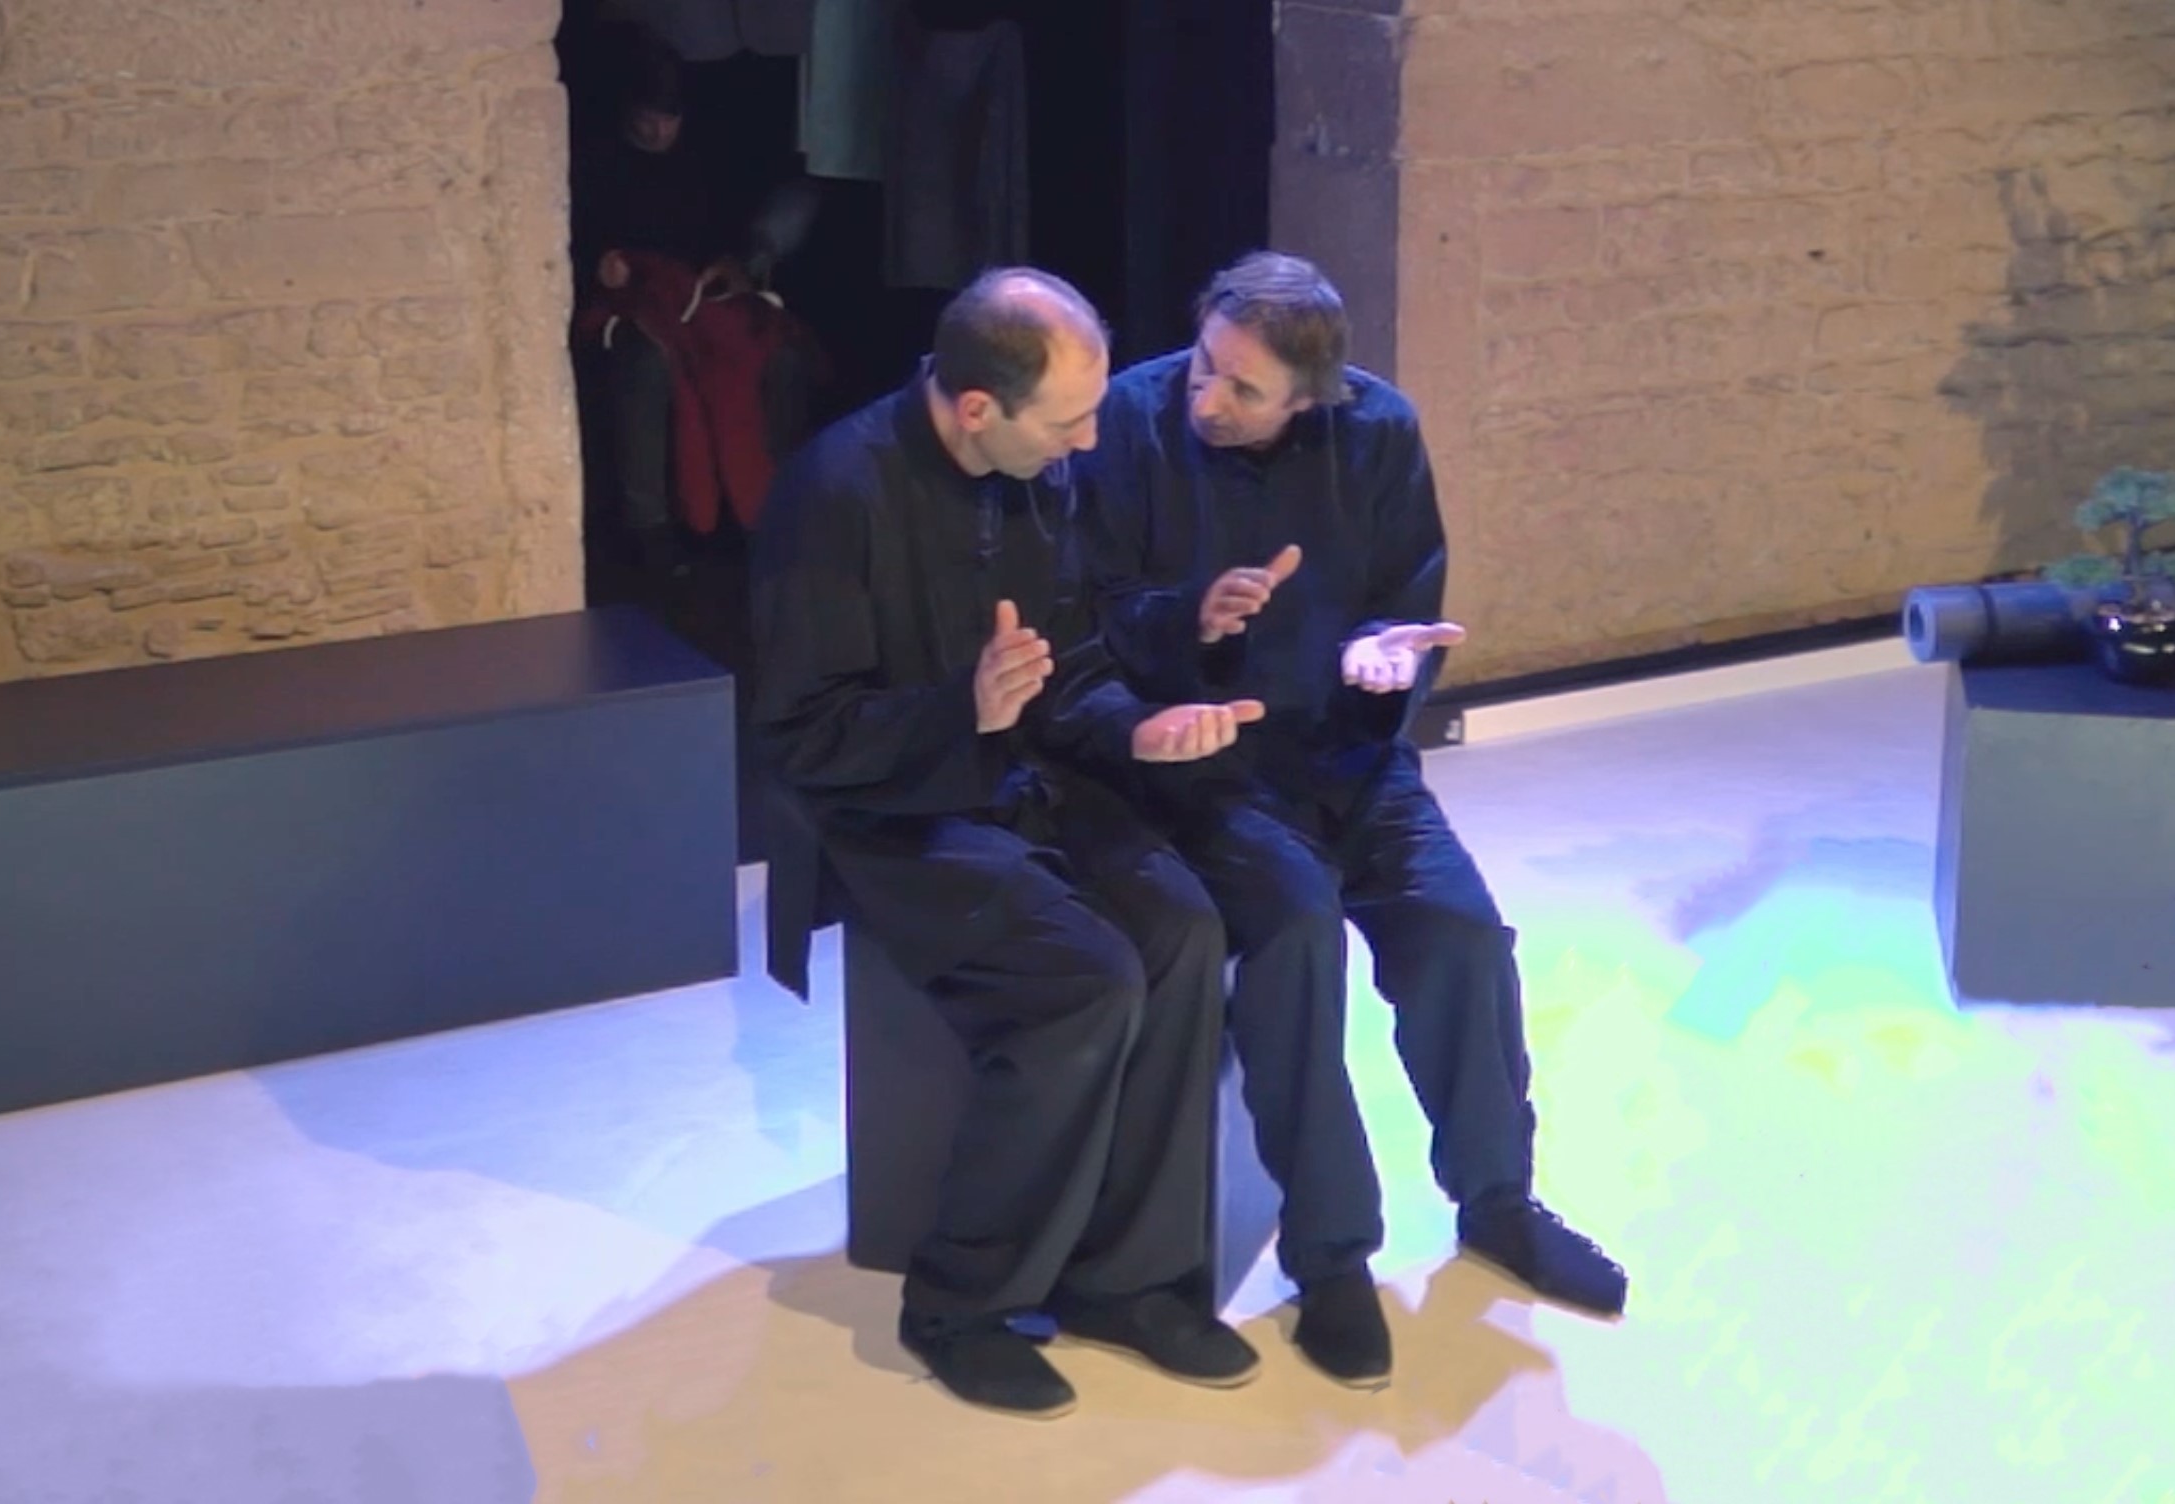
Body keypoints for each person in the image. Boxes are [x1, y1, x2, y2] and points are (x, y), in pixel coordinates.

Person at [1077, 250, 1629, 1389]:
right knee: (1296, 943)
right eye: (1205, 366)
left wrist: (1384, 659)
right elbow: (1094, 608)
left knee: (1458, 933)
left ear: (1310, 395)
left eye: (1242, 388)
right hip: (1217, 765)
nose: (1207, 397)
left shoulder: (1378, 430)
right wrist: (1193, 617)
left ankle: (1497, 1198)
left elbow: (1402, 603)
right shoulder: (1131, 419)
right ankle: (1331, 1256)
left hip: (1352, 757)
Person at [747, 266, 1273, 1419]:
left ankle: (1128, 1278)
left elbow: (1068, 666)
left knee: (1183, 928)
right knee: (1081, 980)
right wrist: (961, 712)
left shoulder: (1038, 476)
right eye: (1068, 420)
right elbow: (797, 736)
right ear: (978, 406)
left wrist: (1137, 728)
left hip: (1021, 774)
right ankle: (960, 1306)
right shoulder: (835, 492)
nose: (1088, 440)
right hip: (887, 808)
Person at [566, 21, 822, 578]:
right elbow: (565, 241)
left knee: (779, 358)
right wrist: (595, 265)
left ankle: (772, 512)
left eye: (669, 118)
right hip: (629, 306)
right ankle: (651, 527)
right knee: (647, 364)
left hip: (701, 297)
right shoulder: (592, 162)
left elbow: (733, 235)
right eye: (647, 117)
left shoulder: (705, 158)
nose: (658, 129)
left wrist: (736, 265)